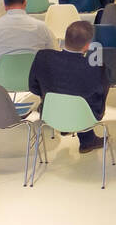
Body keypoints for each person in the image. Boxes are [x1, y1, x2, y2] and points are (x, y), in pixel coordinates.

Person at [27, 20, 110, 154]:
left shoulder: (43, 57)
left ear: (65, 38)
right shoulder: (95, 67)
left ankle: (75, 130)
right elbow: (100, 98)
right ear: (88, 45)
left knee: (70, 92)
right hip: (82, 116)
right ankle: (87, 140)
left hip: (50, 113)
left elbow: (33, 87)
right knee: (85, 97)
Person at [0, 0, 55, 82]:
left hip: (2, 78)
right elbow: (52, 52)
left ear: (5, 6)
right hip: (33, 79)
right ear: (25, 3)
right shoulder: (41, 26)